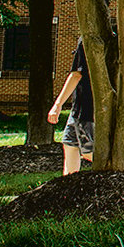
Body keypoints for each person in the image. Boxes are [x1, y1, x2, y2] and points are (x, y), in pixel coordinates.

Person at [47, 38, 96, 175]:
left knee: (89, 152)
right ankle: (67, 187)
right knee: (70, 145)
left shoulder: (86, 40)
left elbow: (76, 75)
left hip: (85, 110)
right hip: (78, 110)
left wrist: (57, 105)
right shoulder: (112, 37)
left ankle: (119, 176)